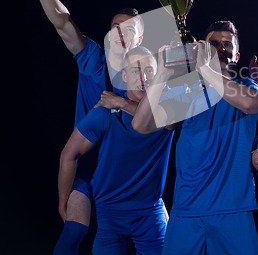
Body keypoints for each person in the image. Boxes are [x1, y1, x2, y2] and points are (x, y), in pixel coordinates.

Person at [29, 0, 144, 254]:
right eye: (114, 27)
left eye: (127, 28)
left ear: (141, 36)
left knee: (164, 236)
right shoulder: (94, 60)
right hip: (88, 168)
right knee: (74, 229)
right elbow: (63, 22)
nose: (119, 32)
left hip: (128, 176)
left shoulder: (148, 74)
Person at [132, 20, 258, 255]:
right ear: (203, 48)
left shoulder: (247, 85)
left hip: (232, 209)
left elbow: (250, 103)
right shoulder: (188, 90)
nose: (221, 49)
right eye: (214, 44)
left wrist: (206, 69)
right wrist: (162, 73)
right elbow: (141, 124)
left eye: (227, 45)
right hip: (187, 210)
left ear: (237, 55)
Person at [58, 46, 174, 254]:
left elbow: (160, 121)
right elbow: (69, 155)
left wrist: (121, 102)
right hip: (109, 212)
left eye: (149, 70)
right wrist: (62, 202)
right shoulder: (106, 112)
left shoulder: (169, 107)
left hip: (149, 212)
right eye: (135, 70)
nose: (143, 77)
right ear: (124, 76)